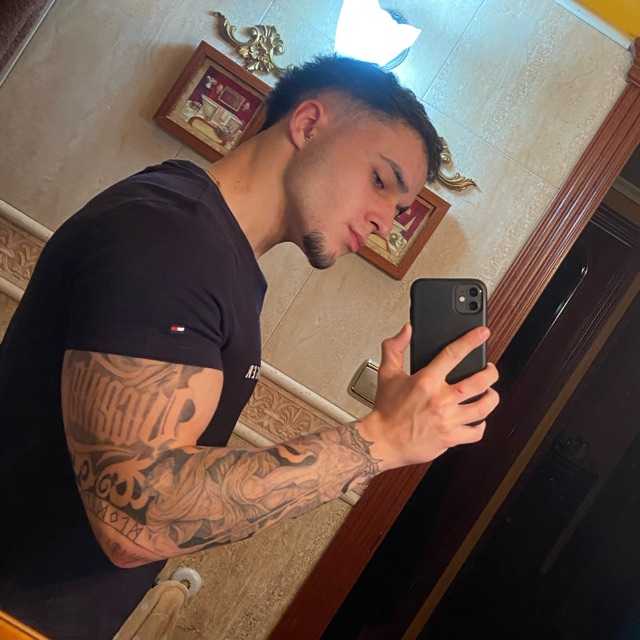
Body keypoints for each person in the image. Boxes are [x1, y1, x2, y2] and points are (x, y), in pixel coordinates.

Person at [0, 55, 500, 638]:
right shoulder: (170, 240)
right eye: (380, 181)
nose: (385, 223)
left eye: (399, 208)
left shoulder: (213, 254)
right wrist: (381, 440)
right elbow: (136, 522)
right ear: (308, 125)